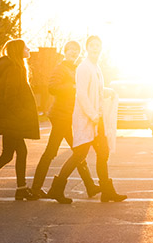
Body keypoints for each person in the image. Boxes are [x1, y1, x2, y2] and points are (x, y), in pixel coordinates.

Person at [47, 36, 126, 203]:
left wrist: (107, 91)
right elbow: (81, 93)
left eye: (98, 45)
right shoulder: (83, 67)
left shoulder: (96, 67)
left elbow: (94, 90)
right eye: (92, 45)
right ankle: (57, 188)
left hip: (97, 118)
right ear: (87, 48)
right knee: (79, 155)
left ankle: (107, 191)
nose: (95, 48)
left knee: (102, 153)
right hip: (88, 118)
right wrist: (93, 115)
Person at [31, 41, 100, 199]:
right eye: (71, 50)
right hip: (61, 115)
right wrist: (73, 87)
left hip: (70, 115)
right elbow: (52, 87)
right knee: (57, 152)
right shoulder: (61, 67)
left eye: (76, 50)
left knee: (78, 151)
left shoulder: (75, 68)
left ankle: (89, 186)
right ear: (65, 51)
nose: (74, 53)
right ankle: (38, 188)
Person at [0, 39, 40, 201]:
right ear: (18, 50)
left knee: (10, 154)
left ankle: (20, 188)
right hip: (13, 120)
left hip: (11, 119)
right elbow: (10, 97)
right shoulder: (14, 69)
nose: (28, 49)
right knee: (10, 154)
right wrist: (22, 114)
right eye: (26, 47)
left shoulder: (14, 67)